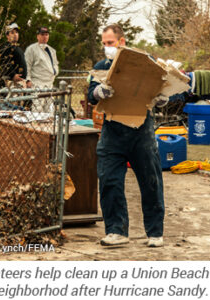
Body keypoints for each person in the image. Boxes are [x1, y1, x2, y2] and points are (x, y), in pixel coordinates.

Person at [88, 24, 165, 247]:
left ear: (121, 42)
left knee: (150, 181)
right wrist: (97, 92)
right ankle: (116, 231)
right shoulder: (101, 66)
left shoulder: (145, 61)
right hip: (112, 130)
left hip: (141, 130)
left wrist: (162, 97)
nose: (106, 48)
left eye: (110, 43)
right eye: (103, 44)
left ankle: (155, 232)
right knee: (109, 180)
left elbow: (162, 82)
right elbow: (90, 94)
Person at [25, 27, 59, 112]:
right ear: (38, 36)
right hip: (37, 83)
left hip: (49, 83)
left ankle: (49, 124)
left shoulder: (52, 50)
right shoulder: (31, 49)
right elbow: (27, 65)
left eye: (46, 34)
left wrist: (55, 72)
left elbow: (55, 64)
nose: (45, 37)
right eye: (42, 34)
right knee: (38, 108)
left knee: (50, 110)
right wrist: (28, 79)